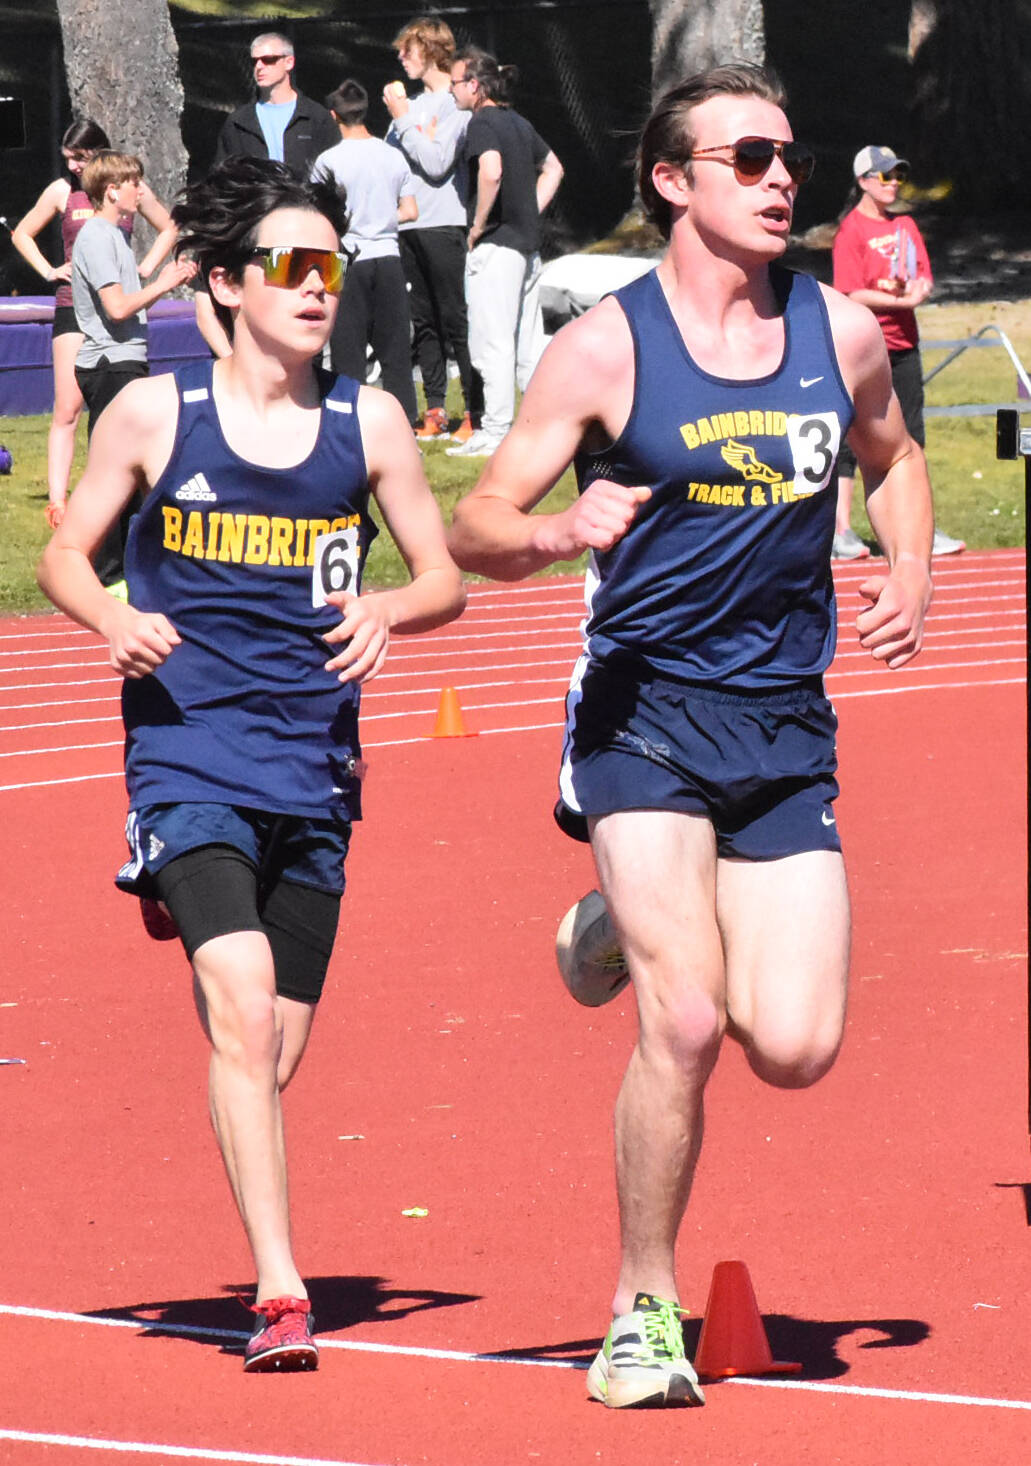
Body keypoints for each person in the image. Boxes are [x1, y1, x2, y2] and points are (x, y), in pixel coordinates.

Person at [448, 63, 933, 1408]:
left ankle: (602, 921)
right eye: (750, 158)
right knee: (683, 1018)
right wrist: (547, 531)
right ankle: (639, 1311)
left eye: (792, 156)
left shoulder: (833, 331)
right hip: (641, 713)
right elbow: (473, 522)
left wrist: (906, 568)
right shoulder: (606, 347)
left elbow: (891, 453)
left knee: (793, 1043)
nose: (784, 179)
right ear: (672, 179)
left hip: (780, 718)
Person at [37, 156, 466, 1372]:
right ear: (225, 284)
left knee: (269, 1056)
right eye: (288, 266)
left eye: (328, 264)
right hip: (187, 746)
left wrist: (395, 605)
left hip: (314, 764)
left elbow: (442, 578)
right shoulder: (154, 414)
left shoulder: (365, 421)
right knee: (236, 1002)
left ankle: (199, 913)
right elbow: (65, 556)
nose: (316, 286)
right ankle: (280, 1289)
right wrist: (113, 618)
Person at [10, 118, 177, 528]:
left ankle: (113, 491)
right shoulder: (62, 192)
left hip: (116, 307)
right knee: (67, 407)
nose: (73, 168)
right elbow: (22, 233)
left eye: (79, 159)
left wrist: (147, 267)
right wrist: (49, 270)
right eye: (67, 160)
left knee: (116, 410)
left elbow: (170, 224)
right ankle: (58, 499)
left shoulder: (126, 189)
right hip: (74, 305)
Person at [71, 151, 197, 591]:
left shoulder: (116, 237)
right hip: (110, 365)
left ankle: (129, 566)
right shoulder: (97, 237)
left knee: (135, 467)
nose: (140, 192)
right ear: (112, 191)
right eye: (133, 184)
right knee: (114, 468)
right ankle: (107, 575)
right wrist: (164, 284)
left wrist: (167, 277)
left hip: (126, 360)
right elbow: (118, 307)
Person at [831, 144, 965, 559]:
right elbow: (851, 291)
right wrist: (901, 302)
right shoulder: (851, 231)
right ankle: (840, 531)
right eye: (884, 176)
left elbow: (922, 275)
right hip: (866, 347)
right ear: (863, 182)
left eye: (897, 176)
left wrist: (919, 291)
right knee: (853, 440)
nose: (893, 184)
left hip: (905, 346)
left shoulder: (906, 225)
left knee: (911, 435)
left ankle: (918, 529)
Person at [445, 48, 564, 459]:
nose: (452, 92)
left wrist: (478, 225)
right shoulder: (518, 121)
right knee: (528, 344)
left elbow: (490, 170)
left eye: (456, 84)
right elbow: (554, 167)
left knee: (490, 343)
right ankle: (539, 428)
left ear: (474, 87)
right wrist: (529, 210)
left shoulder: (481, 123)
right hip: (528, 248)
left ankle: (496, 432)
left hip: (497, 247)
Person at [383, 15, 476, 442]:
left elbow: (438, 164)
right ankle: (435, 407)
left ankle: (474, 408)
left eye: (408, 49)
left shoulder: (455, 106)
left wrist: (403, 119)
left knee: (455, 318)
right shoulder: (410, 107)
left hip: (444, 223)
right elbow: (391, 163)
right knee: (424, 321)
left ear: (431, 50)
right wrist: (402, 119)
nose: (401, 58)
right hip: (407, 227)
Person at [313, 80, 419, 425]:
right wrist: (384, 216)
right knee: (395, 350)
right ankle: (404, 424)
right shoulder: (392, 155)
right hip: (388, 255)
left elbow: (321, 215)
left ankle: (349, 422)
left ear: (334, 116)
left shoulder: (328, 161)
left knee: (347, 350)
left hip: (347, 258)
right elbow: (411, 211)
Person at [214, 31, 339, 180]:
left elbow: (335, 173)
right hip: (257, 202)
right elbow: (222, 177)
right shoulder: (238, 122)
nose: (259, 66)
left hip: (303, 202)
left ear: (289, 62)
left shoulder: (317, 117)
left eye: (268, 60)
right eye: (254, 61)